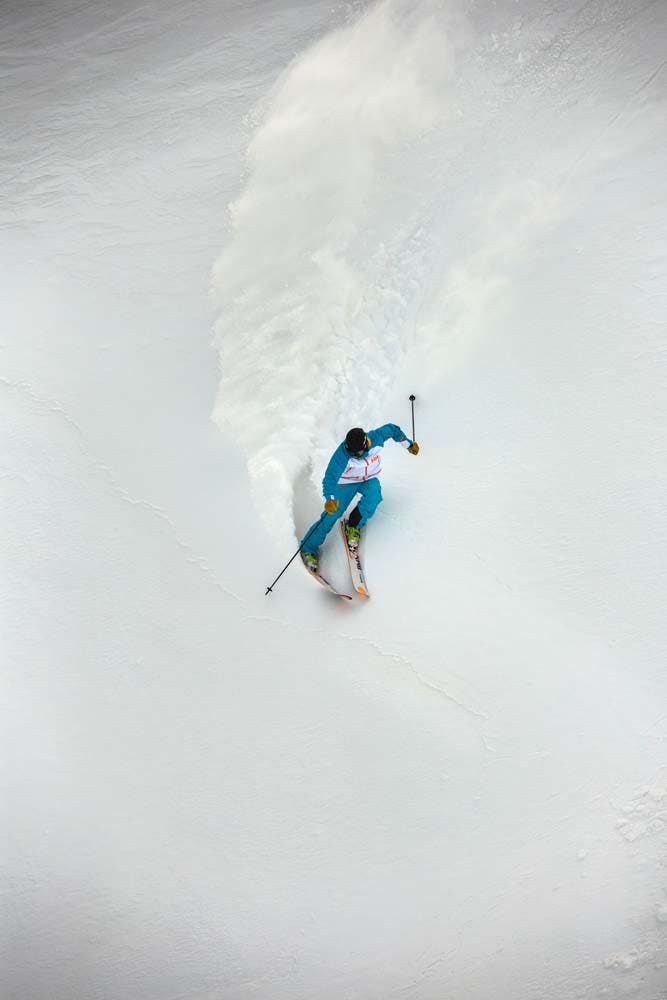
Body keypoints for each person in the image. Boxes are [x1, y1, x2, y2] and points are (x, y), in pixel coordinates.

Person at [300, 424, 420, 570]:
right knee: (332, 513)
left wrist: (408, 444)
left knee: (374, 497)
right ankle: (308, 548)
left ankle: (353, 525)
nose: (355, 455)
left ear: (365, 443)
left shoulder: (376, 437)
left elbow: (393, 430)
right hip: (347, 482)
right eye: (352, 452)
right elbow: (329, 479)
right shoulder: (342, 455)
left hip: (369, 478)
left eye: (358, 452)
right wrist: (329, 499)